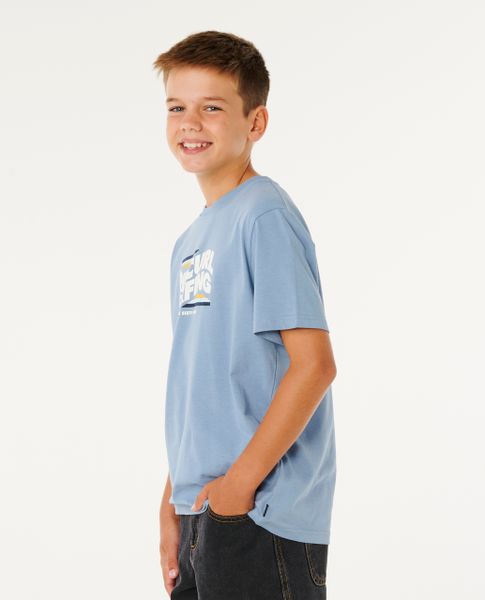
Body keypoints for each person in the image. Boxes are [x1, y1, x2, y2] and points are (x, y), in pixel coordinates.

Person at [153, 30, 337, 599]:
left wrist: (238, 488)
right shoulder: (190, 239)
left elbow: (314, 365)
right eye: (177, 108)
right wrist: (172, 500)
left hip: (258, 512)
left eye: (212, 108)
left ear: (255, 122)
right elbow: (202, 385)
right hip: (200, 510)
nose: (190, 123)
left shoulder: (263, 215)